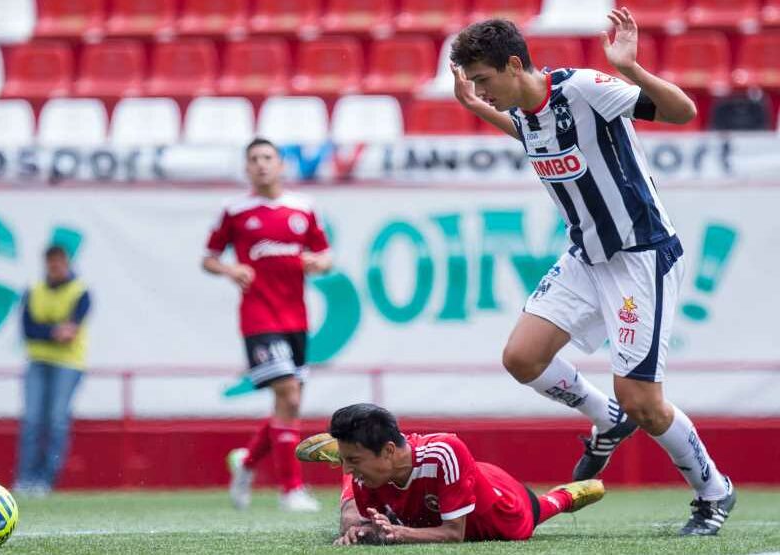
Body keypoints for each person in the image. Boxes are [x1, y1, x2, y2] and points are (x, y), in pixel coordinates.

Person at [448, 9, 734, 535]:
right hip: (586, 256)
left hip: (640, 256)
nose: (481, 89)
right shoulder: (525, 109)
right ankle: (608, 417)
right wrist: (477, 107)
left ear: (514, 65)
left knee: (644, 402)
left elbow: (683, 112)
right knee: (522, 358)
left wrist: (632, 69)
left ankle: (714, 491)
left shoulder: (582, 88)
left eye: (484, 80)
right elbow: (528, 134)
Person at [203, 137, 333, 512]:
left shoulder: (302, 208)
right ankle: (291, 490)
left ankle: (246, 464)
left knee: (287, 404)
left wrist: (319, 263)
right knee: (289, 395)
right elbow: (209, 258)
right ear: (247, 168)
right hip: (258, 317)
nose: (261, 164)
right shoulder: (235, 211)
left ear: (281, 165)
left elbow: (325, 255)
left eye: (267, 158)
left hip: (296, 318)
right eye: (254, 159)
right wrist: (230, 269)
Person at [299, 403, 604, 545]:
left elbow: (453, 534)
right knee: (351, 517)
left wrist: (398, 534)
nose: (349, 471)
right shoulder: (372, 473)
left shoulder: (444, 451)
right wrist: (363, 530)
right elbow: (370, 521)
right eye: (346, 461)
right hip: (441, 487)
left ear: (389, 450)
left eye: (352, 460)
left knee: (543, 507)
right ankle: (348, 451)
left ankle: (566, 496)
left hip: (504, 504)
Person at [14, 244, 91, 496]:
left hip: (68, 363)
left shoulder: (80, 292)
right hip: (37, 361)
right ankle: (25, 479)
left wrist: (47, 331)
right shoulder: (34, 290)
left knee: (57, 420)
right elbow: (28, 330)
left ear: (66, 263)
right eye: (51, 263)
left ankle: (46, 480)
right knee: (32, 421)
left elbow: (70, 333)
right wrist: (54, 332)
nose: (55, 267)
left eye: (59, 262)